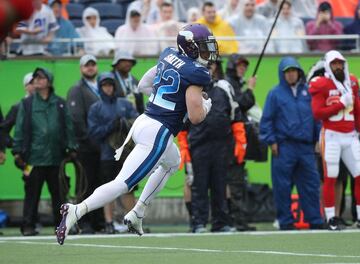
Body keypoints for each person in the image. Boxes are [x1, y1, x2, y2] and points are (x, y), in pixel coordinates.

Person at [56, 23, 218, 245]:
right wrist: (206, 105)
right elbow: (196, 116)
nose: (208, 51)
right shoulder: (196, 72)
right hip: (159, 132)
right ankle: (77, 210)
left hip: (143, 121)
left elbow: (143, 85)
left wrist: (171, 101)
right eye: (202, 46)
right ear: (190, 47)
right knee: (122, 184)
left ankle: (138, 211)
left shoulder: (169, 55)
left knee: (172, 162)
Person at [259, 56, 324, 230]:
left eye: (293, 71)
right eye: (287, 72)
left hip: (305, 147)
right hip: (283, 146)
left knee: (310, 184)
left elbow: (317, 118)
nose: (291, 74)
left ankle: (315, 220)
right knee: (282, 186)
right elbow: (266, 121)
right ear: (282, 74)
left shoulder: (308, 92)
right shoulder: (275, 93)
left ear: (299, 72)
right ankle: (286, 222)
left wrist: (318, 139)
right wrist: (271, 141)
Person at [12, 67, 77, 236]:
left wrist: (72, 147)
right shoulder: (26, 104)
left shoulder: (60, 103)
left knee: (59, 195)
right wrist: (17, 152)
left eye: (41, 78)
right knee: (32, 195)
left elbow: (69, 127)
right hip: (33, 159)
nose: (37, 80)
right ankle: (28, 226)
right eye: (35, 78)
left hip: (57, 158)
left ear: (49, 81)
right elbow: (19, 129)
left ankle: (61, 225)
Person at [178, 60, 240, 233]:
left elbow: (235, 114)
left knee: (220, 184)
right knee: (199, 185)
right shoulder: (190, 90)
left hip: (222, 145)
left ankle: (221, 222)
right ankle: (198, 223)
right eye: (205, 66)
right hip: (198, 145)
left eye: (211, 65)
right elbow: (183, 122)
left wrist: (239, 142)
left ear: (216, 68)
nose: (208, 68)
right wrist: (184, 146)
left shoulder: (224, 88)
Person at [308, 50, 360, 230]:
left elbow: (357, 109)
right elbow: (317, 113)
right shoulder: (321, 84)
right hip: (331, 136)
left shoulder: (352, 82)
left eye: (341, 63)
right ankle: (331, 218)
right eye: (335, 63)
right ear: (328, 65)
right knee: (330, 176)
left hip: (351, 135)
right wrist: (340, 103)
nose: (338, 66)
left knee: (359, 175)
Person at [87, 72, 138, 234]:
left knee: (129, 187)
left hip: (126, 154)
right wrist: (111, 126)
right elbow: (93, 132)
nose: (108, 88)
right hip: (107, 155)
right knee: (107, 189)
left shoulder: (125, 104)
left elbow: (138, 122)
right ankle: (109, 222)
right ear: (101, 87)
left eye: (110, 85)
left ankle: (132, 221)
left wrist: (125, 123)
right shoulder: (96, 107)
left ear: (114, 87)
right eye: (104, 85)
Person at [66, 54, 103, 234]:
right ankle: (83, 222)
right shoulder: (76, 89)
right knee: (84, 184)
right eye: (86, 65)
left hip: (102, 147)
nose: (90, 68)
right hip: (86, 147)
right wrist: (90, 139)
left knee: (99, 184)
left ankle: (98, 221)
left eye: (92, 65)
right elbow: (76, 120)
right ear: (81, 68)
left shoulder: (103, 87)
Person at [225, 54, 257, 231]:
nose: (243, 68)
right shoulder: (229, 83)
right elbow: (239, 105)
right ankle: (237, 221)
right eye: (239, 65)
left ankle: (234, 219)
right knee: (235, 181)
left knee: (235, 181)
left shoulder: (234, 83)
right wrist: (250, 89)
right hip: (231, 141)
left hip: (234, 139)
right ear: (231, 66)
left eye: (245, 65)